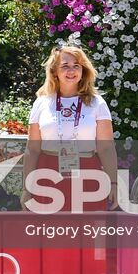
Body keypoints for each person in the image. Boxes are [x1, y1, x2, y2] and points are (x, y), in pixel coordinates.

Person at [21, 44, 118, 211]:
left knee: (87, 234)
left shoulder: (97, 103)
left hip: (88, 173)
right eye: (65, 66)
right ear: (54, 72)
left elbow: (106, 148)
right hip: (48, 173)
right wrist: (26, 188)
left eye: (76, 66)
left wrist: (113, 183)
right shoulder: (42, 102)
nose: (71, 71)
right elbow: (32, 150)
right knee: (50, 233)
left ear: (83, 71)